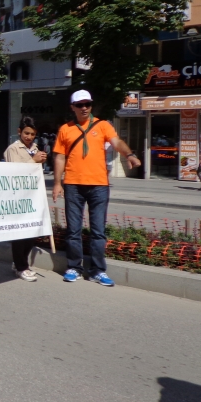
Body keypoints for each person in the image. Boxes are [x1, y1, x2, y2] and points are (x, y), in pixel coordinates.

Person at [53, 90, 141, 286]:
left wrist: (129, 155)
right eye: (80, 104)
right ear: (72, 107)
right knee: (73, 230)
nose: (84, 108)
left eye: (88, 104)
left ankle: (98, 271)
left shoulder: (102, 125)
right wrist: (58, 183)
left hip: (99, 185)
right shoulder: (65, 129)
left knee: (98, 231)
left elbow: (116, 142)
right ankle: (74, 267)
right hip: (73, 185)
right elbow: (59, 157)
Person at [3, 116, 47, 282]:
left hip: (32, 196)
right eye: (26, 133)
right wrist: (33, 161)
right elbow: (14, 172)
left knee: (31, 231)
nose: (29, 137)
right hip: (17, 196)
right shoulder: (13, 149)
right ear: (19, 132)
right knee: (19, 233)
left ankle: (20, 262)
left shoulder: (35, 148)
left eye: (32, 134)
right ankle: (21, 266)